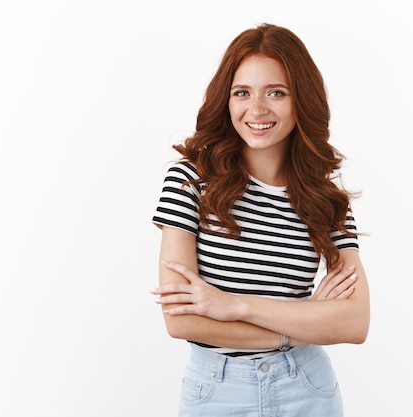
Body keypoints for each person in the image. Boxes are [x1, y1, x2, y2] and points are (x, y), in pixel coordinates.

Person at [150, 23, 370, 417]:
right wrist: (300, 326)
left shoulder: (325, 198)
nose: (257, 109)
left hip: (307, 387)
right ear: (226, 99)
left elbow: (354, 322)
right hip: (218, 392)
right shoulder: (190, 180)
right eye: (242, 93)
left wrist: (232, 305)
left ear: (301, 99)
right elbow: (181, 320)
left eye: (276, 93)